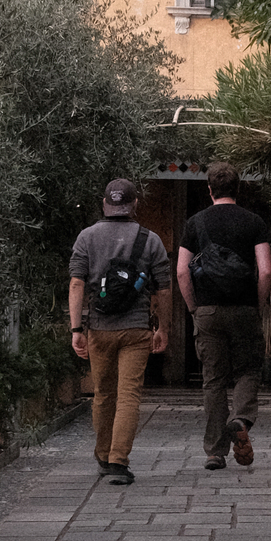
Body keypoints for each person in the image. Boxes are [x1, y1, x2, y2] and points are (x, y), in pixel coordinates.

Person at [68, 178, 170, 486]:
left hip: (99, 328)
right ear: (135, 205)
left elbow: (76, 283)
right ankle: (118, 461)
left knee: (103, 394)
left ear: (104, 204)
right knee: (128, 395)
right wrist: (162, 327)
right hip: (137, 328)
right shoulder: (150, 240)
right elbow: (164, 289)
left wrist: (76, 328)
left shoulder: (87, 237)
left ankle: (102, 454)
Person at [176, 161, 271, 470]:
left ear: (209, 190)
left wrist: (194, 307)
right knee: (248, 369)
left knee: (213, 380)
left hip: (207, 311)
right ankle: (241, 419)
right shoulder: (254, 221)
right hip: (244, 308)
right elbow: (267, 269)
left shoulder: (195, 222)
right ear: (238, 188)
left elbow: (181, 271)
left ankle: (216, 452)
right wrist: (255, 302)